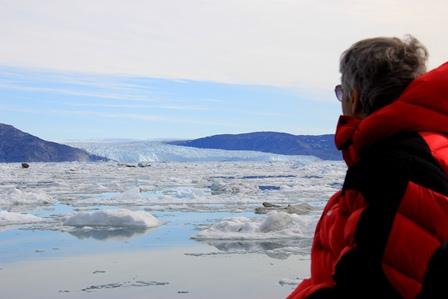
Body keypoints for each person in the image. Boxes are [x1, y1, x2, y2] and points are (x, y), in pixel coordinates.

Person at [287, 35, 448, 299]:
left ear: (355, 98)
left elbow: (376, 287)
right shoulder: (424, 150)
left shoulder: (397, 165)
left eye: (341, 92)